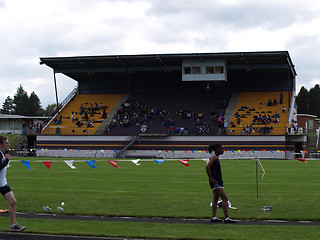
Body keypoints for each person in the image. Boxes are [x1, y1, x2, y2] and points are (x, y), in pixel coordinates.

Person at [0, 136, 26, 232]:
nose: (8, 144)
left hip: (2, 183)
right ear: (1, 144)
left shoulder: (3, 154)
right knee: (12, 201)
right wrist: (7, 160)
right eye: (6, 143)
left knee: (12, 201)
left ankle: (13, 225)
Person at [206, 143, 236, 223]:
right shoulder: (214, 157)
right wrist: (211, 178)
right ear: (217, 149)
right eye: (222, 149)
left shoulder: (215, 157)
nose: (223, 150)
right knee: (224, 198)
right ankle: (227, 218)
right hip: (216, 181)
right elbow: (207, 166)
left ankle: (214, 218)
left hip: (217, 180)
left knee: (215, 199)